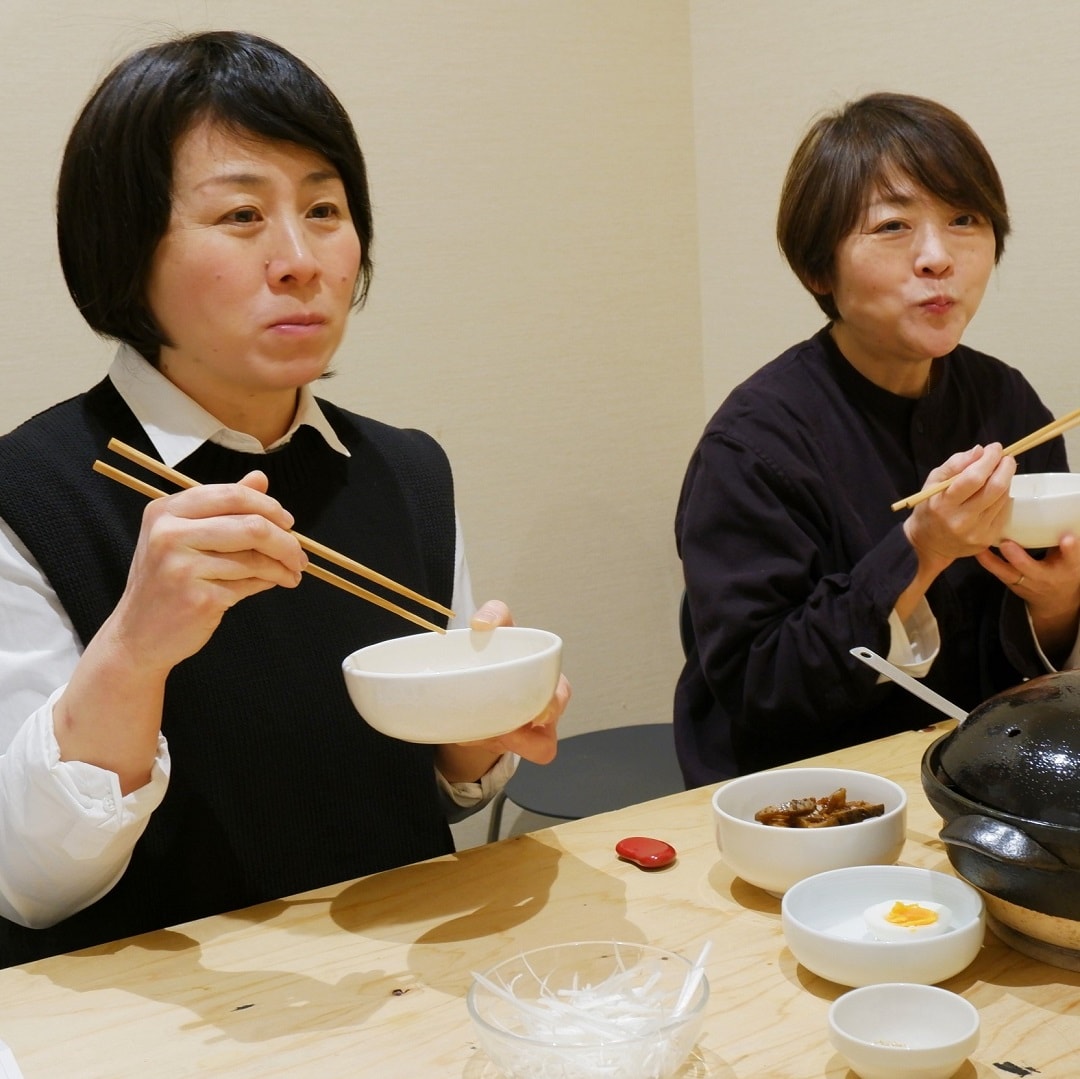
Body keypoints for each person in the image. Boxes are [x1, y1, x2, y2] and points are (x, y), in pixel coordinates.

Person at [0, 30, 569, 967]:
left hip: (406, 983)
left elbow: (436, 793)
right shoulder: (31, 494)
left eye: (325, 208)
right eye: (240, 216)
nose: (302, 259)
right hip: (162, 1028)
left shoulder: (407, 470)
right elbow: (29, 883)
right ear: (125, 242)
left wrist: (480, 740)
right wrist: (136, 651)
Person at [675, 92, 1080, 785]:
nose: (936, 257)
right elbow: (758, 690)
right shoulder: (753, 445)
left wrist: (1057, 605)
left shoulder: (1008, 403)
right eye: (892, 226)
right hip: (806, 802)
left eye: (964, 220)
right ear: (818, 268)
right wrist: (920, 551)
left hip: (974, 788)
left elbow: (1029, 673)